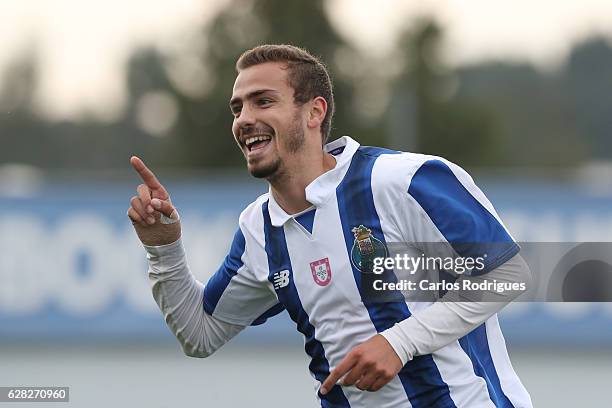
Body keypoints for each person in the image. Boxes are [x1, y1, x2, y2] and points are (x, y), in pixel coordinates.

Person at [128, 44, 533, 407]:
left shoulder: (398, 180)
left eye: (263, 102)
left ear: (314, 112)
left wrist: (399, 342)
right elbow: (200, 333)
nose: (245, 119)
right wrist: (163, 248)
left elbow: (509, 273)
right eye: (238, 108)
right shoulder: (259, 227)